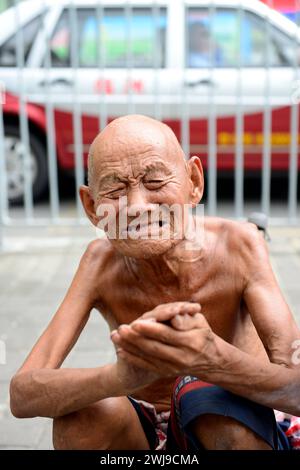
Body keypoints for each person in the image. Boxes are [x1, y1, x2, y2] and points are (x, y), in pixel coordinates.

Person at [10, 115, 300, 450]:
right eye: (116, 189)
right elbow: (22, 393)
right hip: (146, 436)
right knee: (84, 416)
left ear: (193, 181)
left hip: (233, 426)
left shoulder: (240, 246)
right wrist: (119, 378)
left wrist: (213, 360)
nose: (137, 207)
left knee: (207, 400)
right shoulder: (98, 263)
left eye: (155, 182)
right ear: (92, 206)